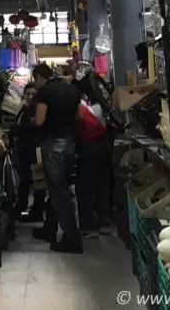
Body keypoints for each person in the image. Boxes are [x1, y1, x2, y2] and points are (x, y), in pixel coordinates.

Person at [30, 63, 83, 254]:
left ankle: (72, 238)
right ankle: (49, 229)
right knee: (59, 188)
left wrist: (31, 119)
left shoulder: (45, 92)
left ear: (38, 78)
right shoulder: (71, 89)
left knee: (60, 193)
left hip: (53, 145)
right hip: (70, 144)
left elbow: (39, 120)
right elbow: (80, 116)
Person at [74, 100, 113, 238]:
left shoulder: (75, 106)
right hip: (104, 144)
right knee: (102, 185)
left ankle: (89, 227)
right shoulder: (89, 104)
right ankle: (104, 223)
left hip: (89, 147)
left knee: (84, 186)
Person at [10, 84, 46, 222]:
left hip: (33, 150)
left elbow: (28, 127)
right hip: (24, 149)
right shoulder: (25, 109)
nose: (30, 96)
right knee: (26, 180)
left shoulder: (36, 110)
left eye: (33, 94)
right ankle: (23, 207)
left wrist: (14, 130)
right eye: (27, 93)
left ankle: (33, 210)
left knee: (36, 181)